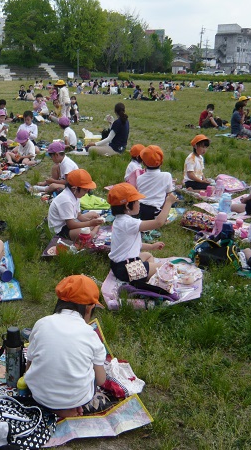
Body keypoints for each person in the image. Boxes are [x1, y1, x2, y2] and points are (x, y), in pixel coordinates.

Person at [24, 275, 106, 419]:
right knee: (92, 373)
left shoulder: (42, 323)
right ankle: (67, 407)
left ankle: (53, 407)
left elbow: (29, 365)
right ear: (89, 308)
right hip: (77, 399)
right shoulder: (90, 334)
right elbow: (100, 380)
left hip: (38, 396)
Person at [108, 183, 177, 291]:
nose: (139, 203)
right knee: (167, 269)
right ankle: (145, 279)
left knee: (148, 255)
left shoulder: (119, 221)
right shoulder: (129, 222)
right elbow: (158, 222)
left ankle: (147, 275)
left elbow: (132, 244)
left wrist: (151, 246)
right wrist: (168, 202)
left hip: (119, 267)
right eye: (136, 201)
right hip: (128, 269)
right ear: (127, 205)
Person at [47, 169, 103, 241]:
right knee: (88, 235)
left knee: (93, 214)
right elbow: (71, 225)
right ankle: (96, 228)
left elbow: (79, 216)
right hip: (60, 230)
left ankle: (93, 227)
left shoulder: (75, 195)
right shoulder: (66, 200)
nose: (86, 193)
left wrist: (89, 220)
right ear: (74, 188)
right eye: (85, 190)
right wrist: (90, 223)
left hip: (69, 222)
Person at [136, 146, 175, 220]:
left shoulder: (139, 178)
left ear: (144, 163)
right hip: (154, 212)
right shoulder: (167, 175)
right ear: (162, 162)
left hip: (139, 209)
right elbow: (169, 194)